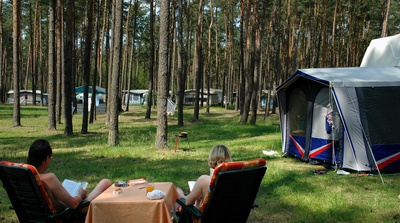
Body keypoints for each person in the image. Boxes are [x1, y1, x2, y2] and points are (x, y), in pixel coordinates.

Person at [27, 139, 112, 211]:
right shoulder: (48, 178)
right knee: (105, 182)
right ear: (46, 158)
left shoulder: (25, 176)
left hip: (38, 215)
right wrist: (80, 195)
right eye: (50, 157)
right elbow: (74, 204)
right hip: (69, 214)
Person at [177, 145, 232, 209]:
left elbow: (188, 202)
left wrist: (181, 195)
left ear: (212, 160)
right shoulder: (235, 179)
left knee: (179, 193)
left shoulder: (204, 180)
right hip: (231, 217)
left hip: (208, 218)